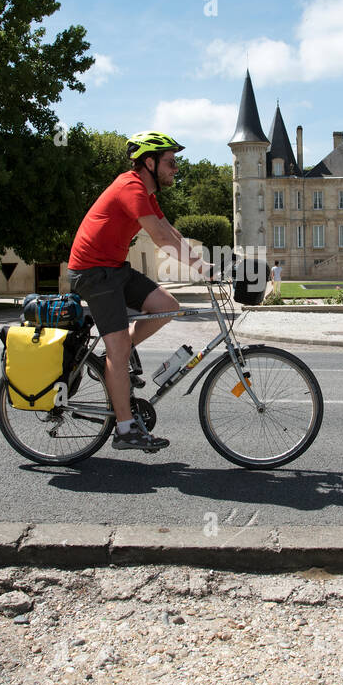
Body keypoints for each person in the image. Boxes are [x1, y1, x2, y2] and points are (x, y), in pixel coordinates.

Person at [66, 131, 214, 450]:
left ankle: (113, 359)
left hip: (114, 268)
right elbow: (161, 239)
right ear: (149, 162)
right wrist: (204, 270)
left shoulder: (146, 193)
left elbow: (169, 232)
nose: (176, 168)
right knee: (120, 352)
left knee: (167, 305)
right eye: (170, 162)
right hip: (93, 273)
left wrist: (207, 263)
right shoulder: (130, 186)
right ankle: (124, 430)